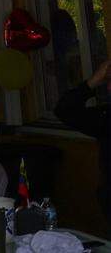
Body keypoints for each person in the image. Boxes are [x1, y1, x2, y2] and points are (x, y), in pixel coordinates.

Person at [54, 58, 110, 223]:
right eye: (107, 81)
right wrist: (91, 83)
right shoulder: (106, 118)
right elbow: (65, 110)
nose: (108, 87)